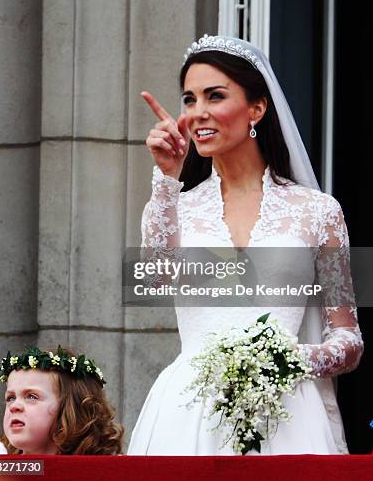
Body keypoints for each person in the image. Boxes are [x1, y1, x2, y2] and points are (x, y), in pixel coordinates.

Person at [127, 34, 364, 455]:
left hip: (289, 414)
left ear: (257, 108)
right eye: (189, 99)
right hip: (188, 413)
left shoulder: (319, 212)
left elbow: (348, 340)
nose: (198, 112)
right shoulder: (171, 204)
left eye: (214, 96)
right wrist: (167, 177)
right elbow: (155, 280)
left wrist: (286, 360)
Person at [0, 345, 123, 455]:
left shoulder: (103, 472)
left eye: (32, 396)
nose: (15, 406)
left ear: (71, 409)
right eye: (11, 398)